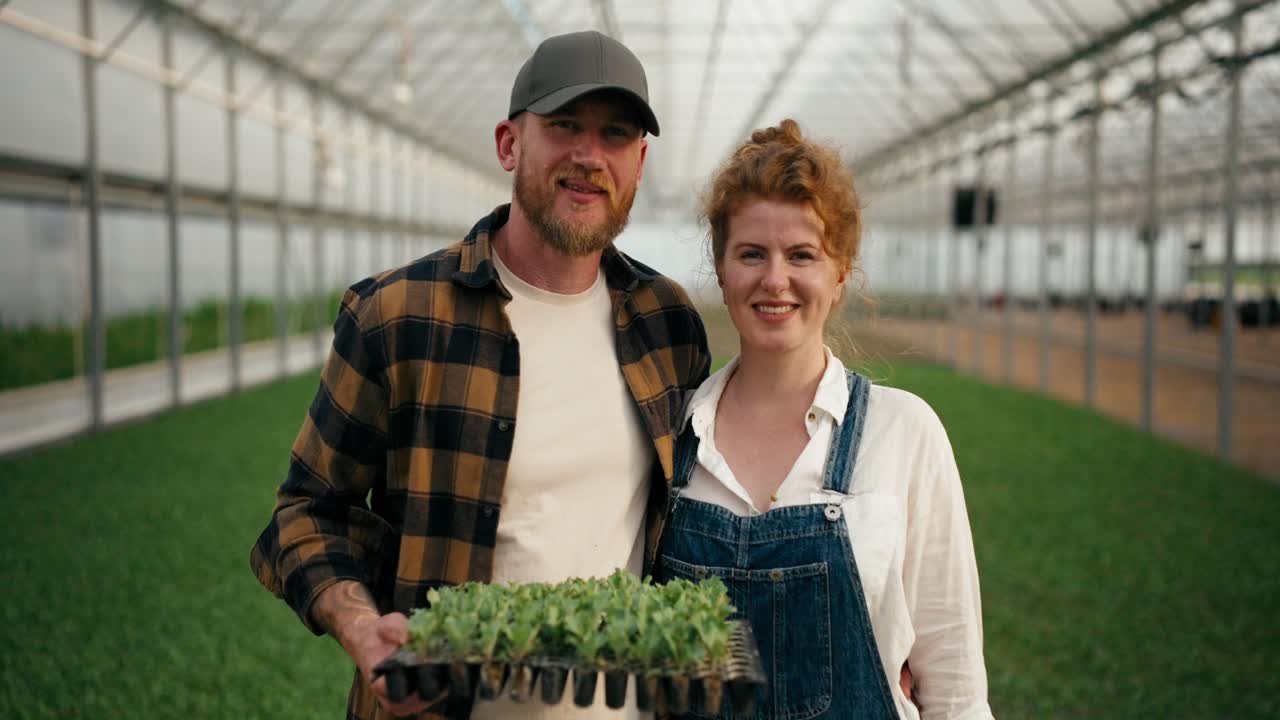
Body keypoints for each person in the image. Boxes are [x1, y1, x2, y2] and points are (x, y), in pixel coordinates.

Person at [249, 30, 710, 720]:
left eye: (615, 134)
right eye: (563, 126)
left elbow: (702, 523)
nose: (589, 156)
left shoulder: (666, 323)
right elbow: (306, 512)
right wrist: (363, 631)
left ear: (639, 162)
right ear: (508, 144)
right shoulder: (398, 315)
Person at [654, 119, 994, 719]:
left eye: (801, 255)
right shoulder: (673, 437)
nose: (774, 279)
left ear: (840, 276)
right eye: (751, 254)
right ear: (724, 269)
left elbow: (957, 693)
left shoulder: (903, 433)